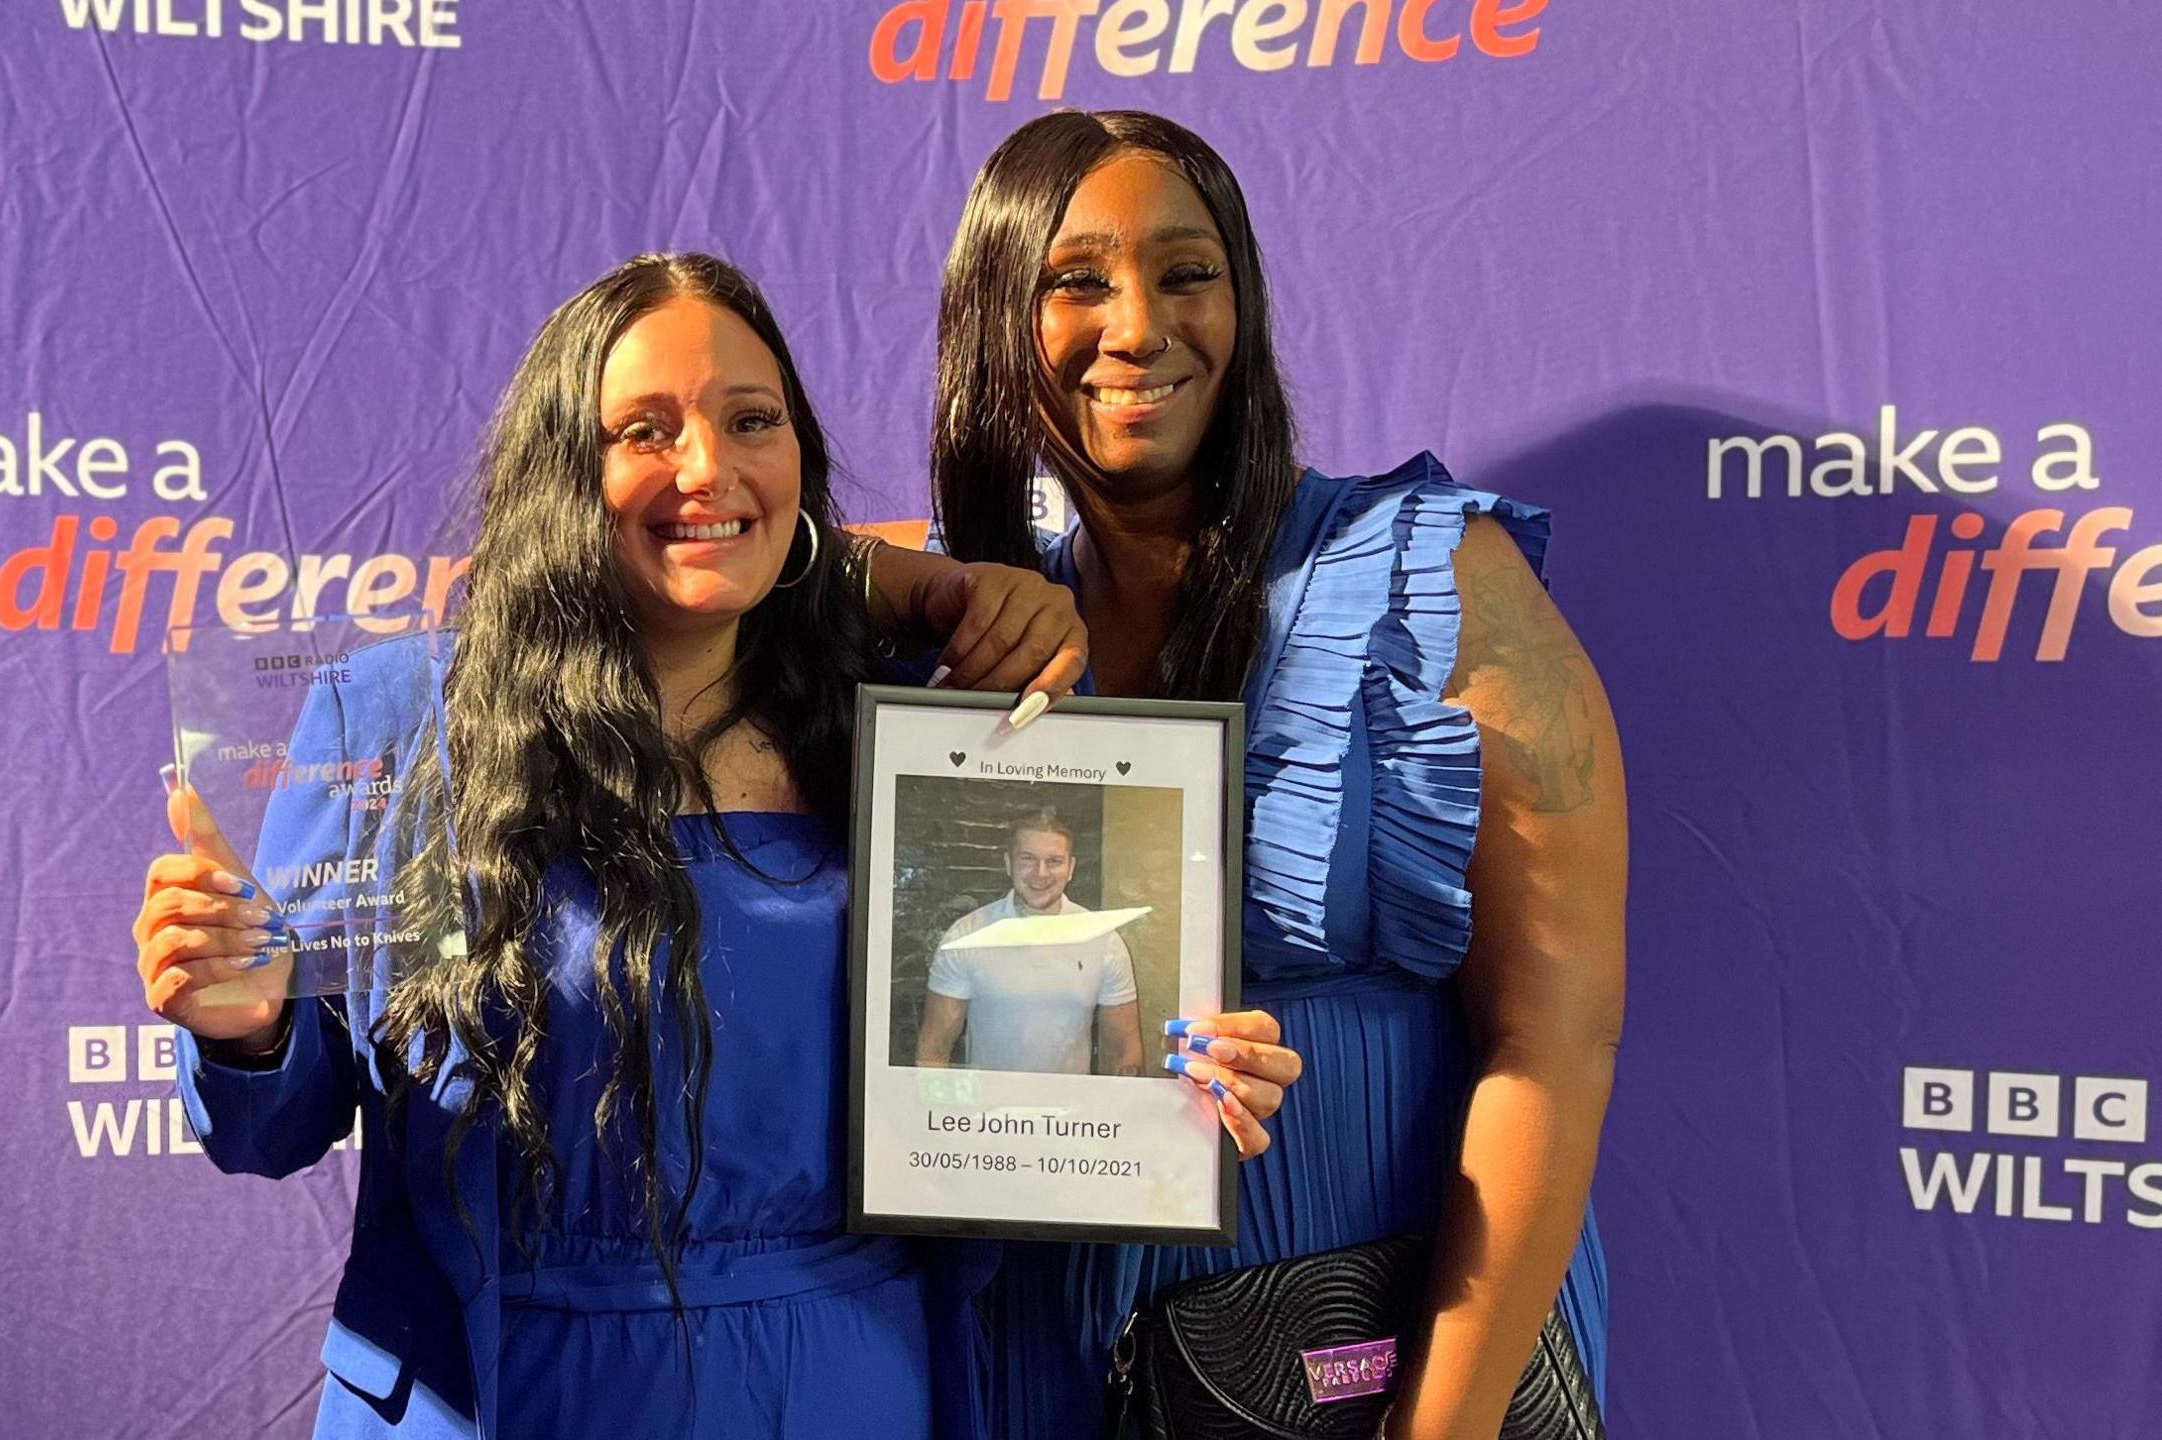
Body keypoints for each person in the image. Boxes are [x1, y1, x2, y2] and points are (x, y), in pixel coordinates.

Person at [130, 252, 1300, 1439]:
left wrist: (1173, 1086)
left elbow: (1005, 1077)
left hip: (841, 1386)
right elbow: (270, 1132)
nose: (710, 469)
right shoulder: (391, 722)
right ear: (561, 475)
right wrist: (248, 1031)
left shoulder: (912, 734)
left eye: (753, 419)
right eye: (645, 429)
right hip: (498, 1391)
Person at [909, 111, 1628, 1440]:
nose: (1139, 326)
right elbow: (716, 555)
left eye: (1188, 272)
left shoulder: (1436, 580)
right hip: (1040, 1350)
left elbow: (1556, 1043)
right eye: (1076, 280)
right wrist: (935, 575)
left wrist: (1440, 1429)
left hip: (1371, 1349)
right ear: (995, 317)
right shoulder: (965, 633)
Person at [916, 807, 1143, 1076]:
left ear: (1071, 868)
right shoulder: (966, 936)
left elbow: (1124, 1052)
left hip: (1071, 1114)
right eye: (1028, 859)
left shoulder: (1105, 941)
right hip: (987, 1114)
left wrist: (1113, 1114)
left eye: (1054, 861)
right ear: (1008, 864)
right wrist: (945, 1115)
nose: (1041, 873)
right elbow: (933, 1050)